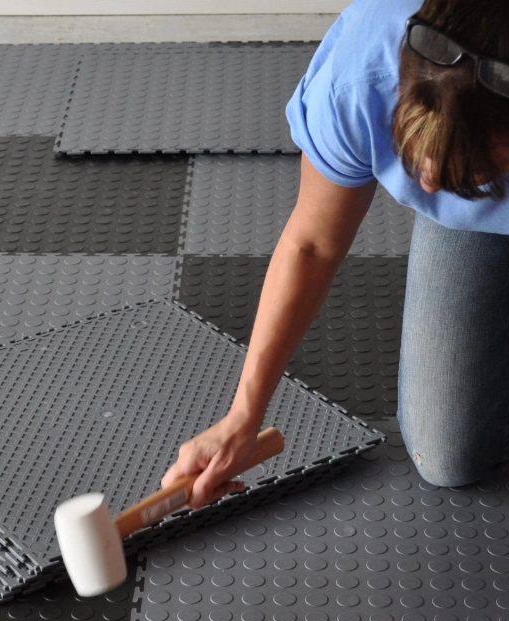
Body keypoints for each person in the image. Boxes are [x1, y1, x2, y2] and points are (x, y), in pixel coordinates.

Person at [162, 0, 509, 509]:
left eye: (468, 166)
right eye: (417, 141)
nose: (430, 180)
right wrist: (243, 416)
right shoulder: (364, 72)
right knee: (446, 453)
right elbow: (312, 244)